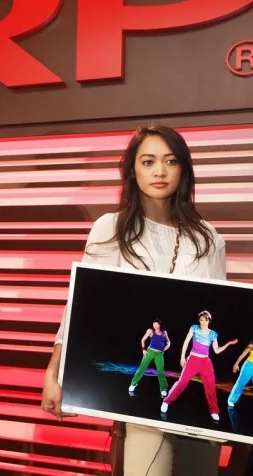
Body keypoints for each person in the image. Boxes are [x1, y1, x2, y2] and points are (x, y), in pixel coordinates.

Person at [41, 124, 227, 476]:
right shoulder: (110, 228)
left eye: (170, 161)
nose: (160, 171)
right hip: (139, 401)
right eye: (148, 161)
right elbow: (80, 308)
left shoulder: (208, 239)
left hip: (195, 395)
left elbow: (219, 307)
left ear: (183, 169)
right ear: (132, 170)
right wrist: (54, 372)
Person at [161, 311, 236, 419]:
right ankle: (166, 401)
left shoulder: (213, 334)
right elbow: (186, 342)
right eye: (201, 320)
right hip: (193, 360)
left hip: (205, 362)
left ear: (209, 321)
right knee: (182, 382)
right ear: (199, 321)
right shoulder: (194, 328)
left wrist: (228, 344)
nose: (203, 323)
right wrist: (182, 357)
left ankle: (214, 410)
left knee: (210, 386)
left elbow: (217, 350)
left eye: (205, 320)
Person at [129, 318, 170, 397]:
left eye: (157, 324)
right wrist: (143, 350)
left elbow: (168, 342)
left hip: (159, 354)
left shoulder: (164, 332)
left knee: (161, 371)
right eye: (154, 324)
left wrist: (168, 345)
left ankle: (163, 389)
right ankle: (133, 384)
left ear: (160, 325)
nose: (155, 325)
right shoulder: (150, 331)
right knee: (142, 368)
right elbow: (143, 340)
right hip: (150, 352)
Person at [228, 340, 253, 408]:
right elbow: (243, 354)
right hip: (249, 366)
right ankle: (231, 400)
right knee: (241, 383)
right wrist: (236, 364)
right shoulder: (251, 345)